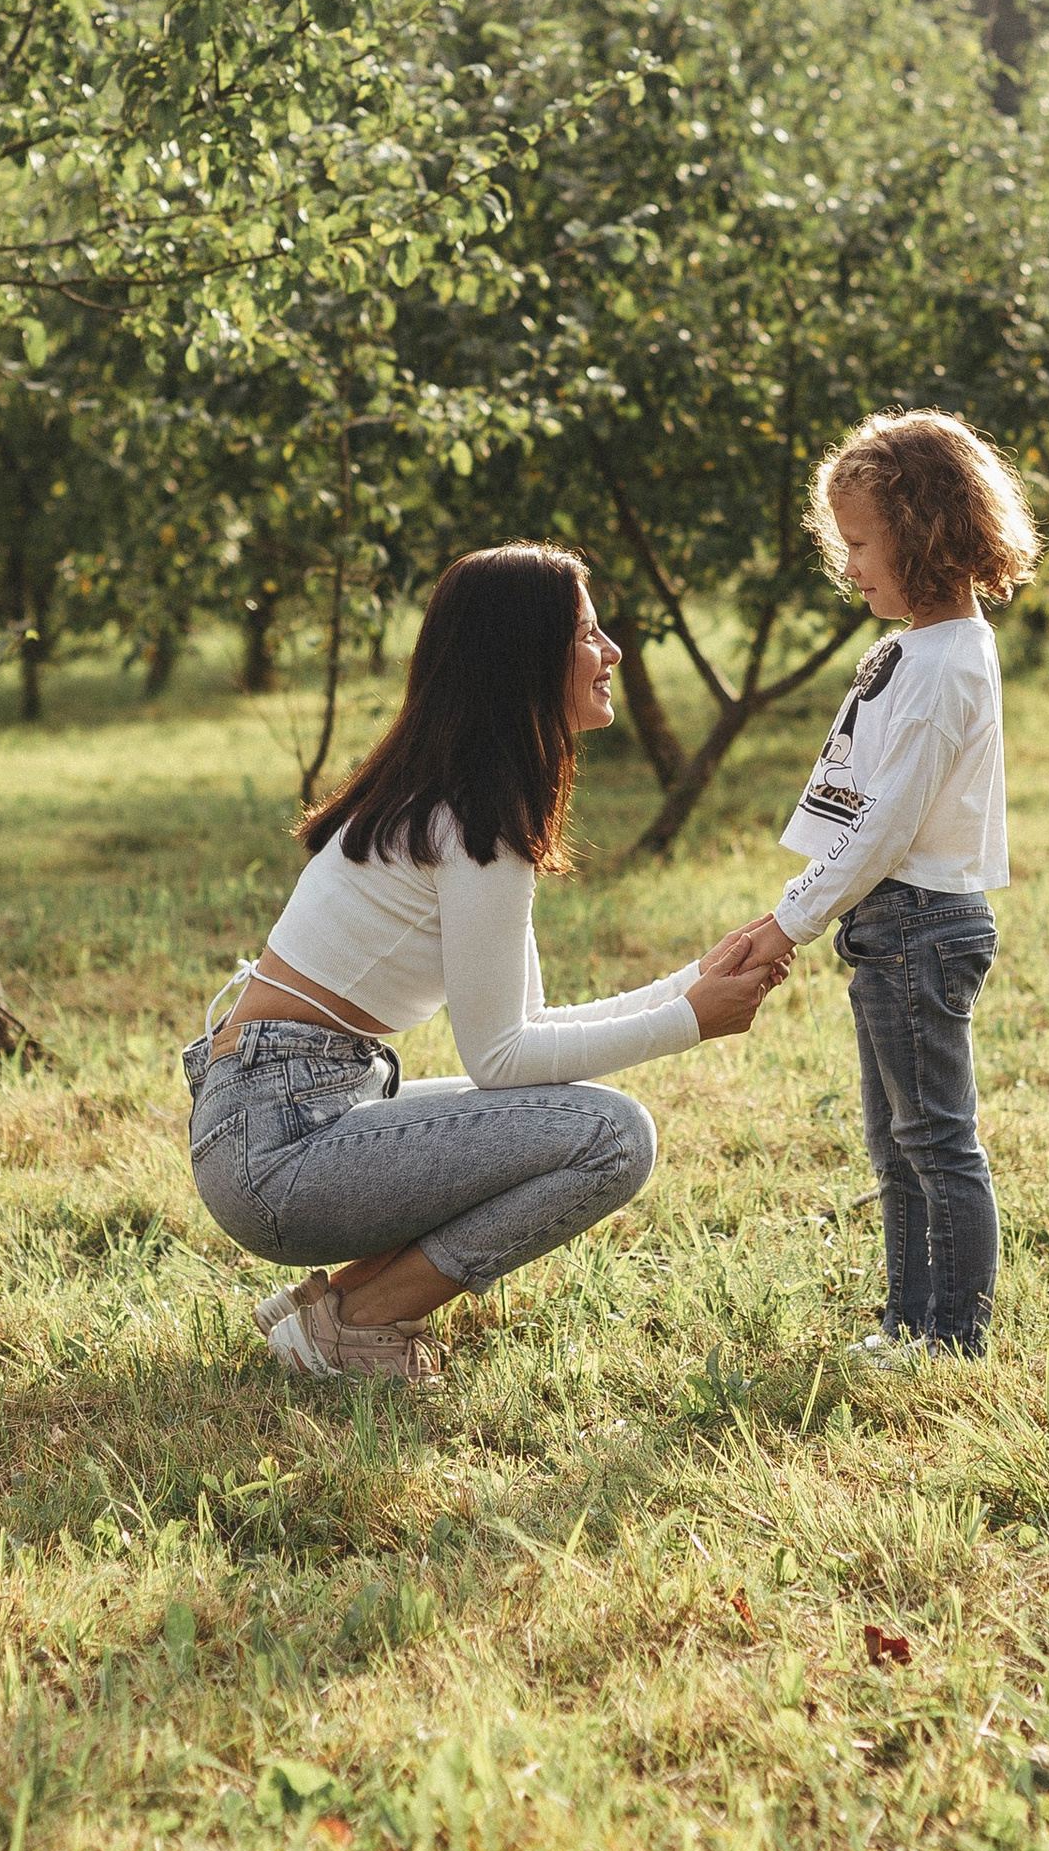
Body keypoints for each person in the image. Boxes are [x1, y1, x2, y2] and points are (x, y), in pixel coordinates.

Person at [185, 543, 782, 1383]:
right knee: (613, 1137)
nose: (612, 652)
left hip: (270, 1121)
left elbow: (525, 1034)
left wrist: (693, 982)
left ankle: (331, 1308)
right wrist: (690, 1024)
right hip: (281, 1147)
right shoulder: (469, 827)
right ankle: (359, 1321)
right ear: (524, 655)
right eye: (587, 632)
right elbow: (501, 1060)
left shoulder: (450, 804)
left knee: (573, 1115)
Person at [711, 411, 1037, 1360]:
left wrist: (789, 921)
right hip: (890, 924)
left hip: (919, 923)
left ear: (925, 530)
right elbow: (857, 804)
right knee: (898, 1146)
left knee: (936, 1142)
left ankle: (951, 1341)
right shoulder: (917, 650)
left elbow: (886, 825)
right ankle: (907, 1324)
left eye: (860, 544)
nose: (847, 565)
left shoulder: (948, 664)